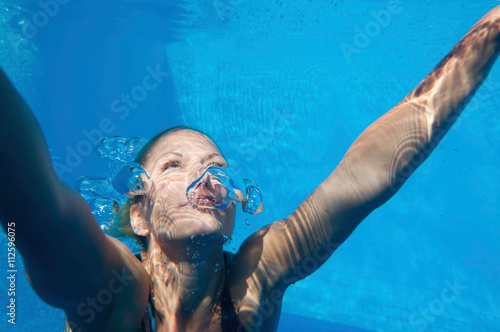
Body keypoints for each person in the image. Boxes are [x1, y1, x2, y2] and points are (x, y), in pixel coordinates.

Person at [1, 5, 500, 332]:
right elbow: (39, 208)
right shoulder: (114, 293)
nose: (208, 179)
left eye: (217, 167)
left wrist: (492, 29)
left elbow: (361, 180)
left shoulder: (255, 275)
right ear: (138, 214)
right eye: (175, 165)